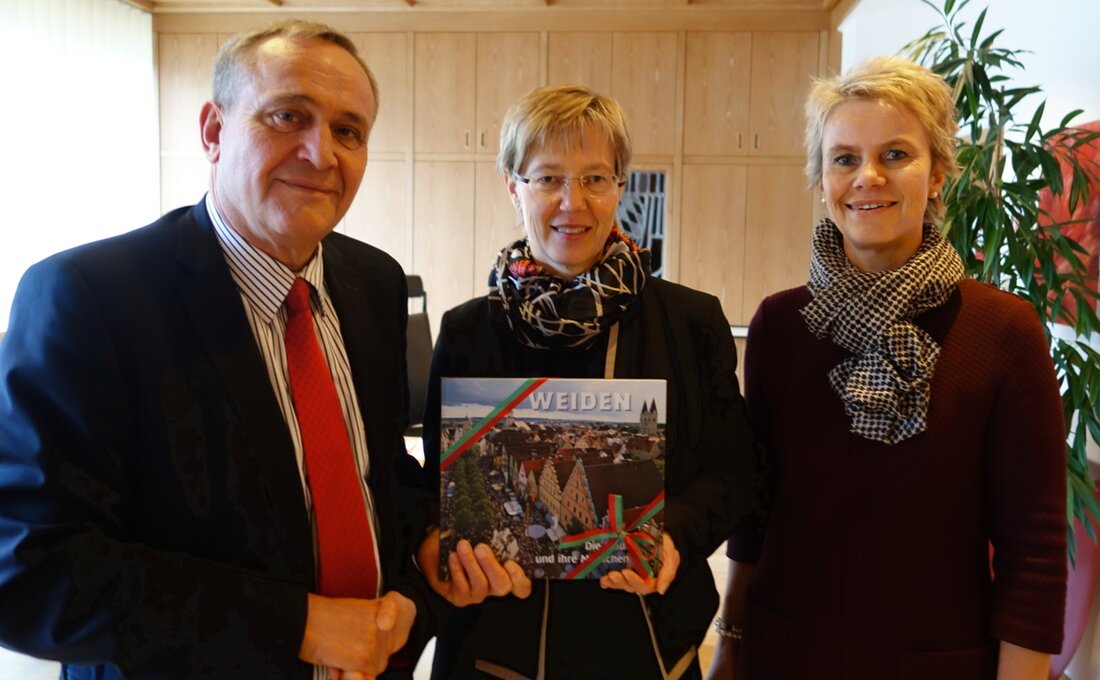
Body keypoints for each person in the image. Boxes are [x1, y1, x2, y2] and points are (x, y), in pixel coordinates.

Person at [0, 20, 434, 680]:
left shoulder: (373, 282)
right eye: (288, 116)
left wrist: (415, 594)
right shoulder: (89, 299)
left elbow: (380, 479)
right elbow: (29, 568)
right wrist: (300, 626)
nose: (321, 154)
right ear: (213, 131)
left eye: (349, 131)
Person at [705, 55, 1067, 680]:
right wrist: (731, 642)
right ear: (823, 180)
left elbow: (1032, 551)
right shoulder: (781, 325)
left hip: (939, 664)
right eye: (844, 158)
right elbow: (757, 513)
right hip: (785, 656)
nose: (867, 177)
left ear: (937, 177)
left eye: (896, 155)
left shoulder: (1003, 330)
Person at [415, 84, 759, 679]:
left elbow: (734, 473)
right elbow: (434, 484)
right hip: (496, 651)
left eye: (595, 178)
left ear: (620, 186)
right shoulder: (468, 330)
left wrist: (672, 534)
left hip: (645, 646)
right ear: (512, 185)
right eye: (547, 178)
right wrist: (446, 546)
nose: (573, 202)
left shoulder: (690, 321)